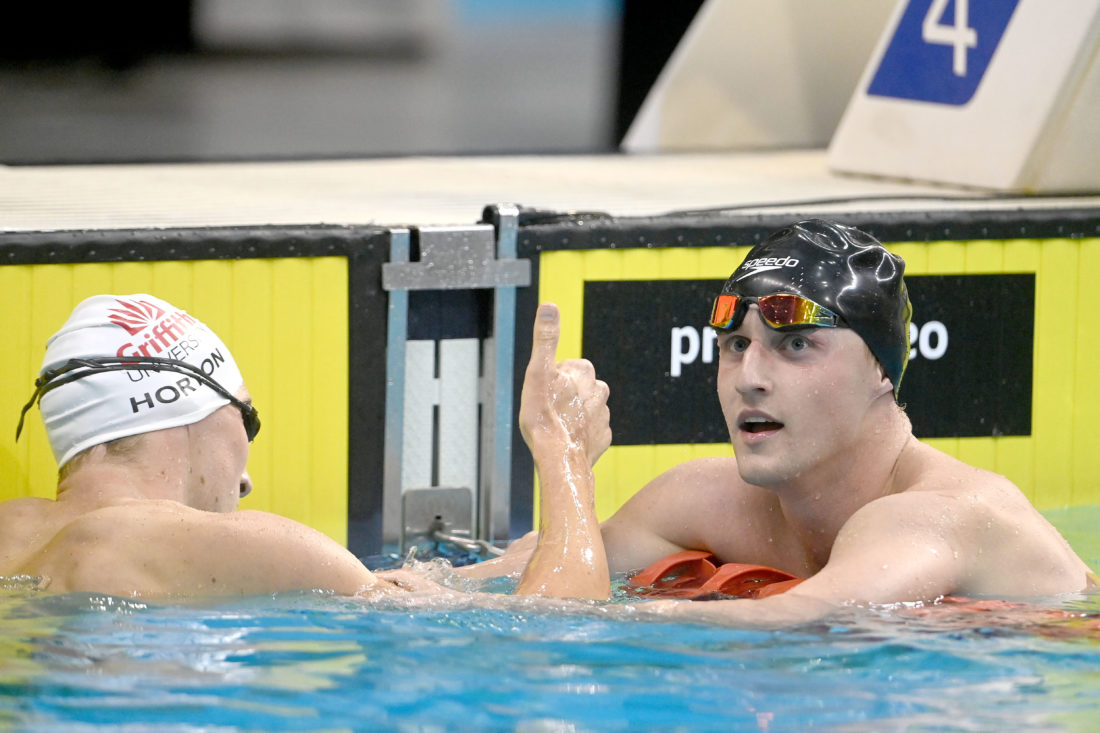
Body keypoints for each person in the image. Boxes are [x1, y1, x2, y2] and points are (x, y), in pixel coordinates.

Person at [473, 220, 1096, 627]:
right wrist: (379, 588)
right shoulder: (704, 499)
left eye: (795, 345)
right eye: (735, 345)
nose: (750, 376)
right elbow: (510, 586)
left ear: (883, 370)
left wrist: (563, 464)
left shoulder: (937, 516)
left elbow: (562, 625)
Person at [3, 294, 610, 602]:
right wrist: (565, 458)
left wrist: (494, 571)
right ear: (190, 410)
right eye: (248, 419)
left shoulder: (15, 535)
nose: (245, 483)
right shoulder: (223, 540)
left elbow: (390, 592)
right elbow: (560, 624)